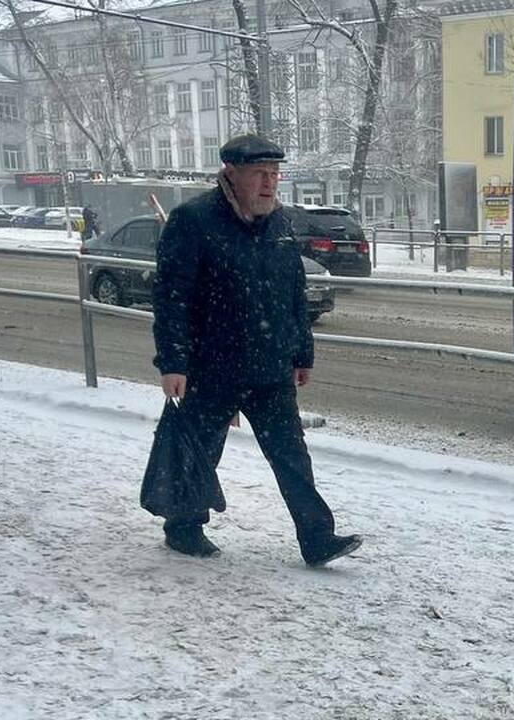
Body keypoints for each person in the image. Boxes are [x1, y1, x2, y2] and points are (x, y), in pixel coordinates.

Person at [149, 134, 361, 566]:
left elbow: (294, 293)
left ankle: (318, 538)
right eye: (260, 175)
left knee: (291, 456)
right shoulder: (193, 220)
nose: (270, 183)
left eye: (275, 174)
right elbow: (172, 298)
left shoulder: (280, 223)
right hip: (211, 366)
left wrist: (302, 353)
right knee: (202, 449)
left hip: (269, 367)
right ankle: (183, 527)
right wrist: (173, 363)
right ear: (232, 174)